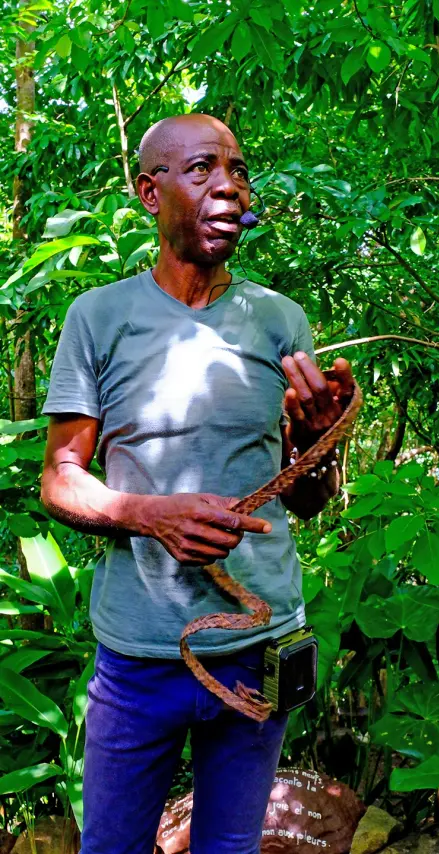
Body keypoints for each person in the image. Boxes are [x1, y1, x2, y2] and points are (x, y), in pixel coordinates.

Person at [40, 113, 355, 854]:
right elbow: (60, 481)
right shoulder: (99, 318)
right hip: (141, 654)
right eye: (202, 168)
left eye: (238, 170)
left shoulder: (279, 320)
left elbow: (305, 499)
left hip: (261, 646)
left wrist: (314, 442)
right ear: (151, 193)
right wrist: (152, 515)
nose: (229, 186)